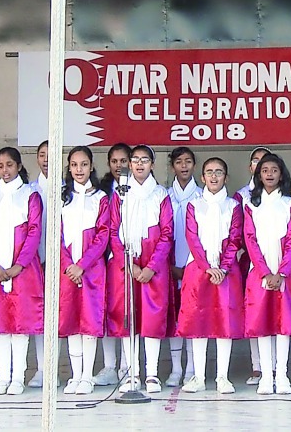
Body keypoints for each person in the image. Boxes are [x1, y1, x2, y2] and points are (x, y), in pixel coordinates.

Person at [0, 147, 45, 395]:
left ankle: (18, 377)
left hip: (22, 269)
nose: (5, 170)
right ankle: (3, 376)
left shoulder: (30, 195)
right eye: (1, 166)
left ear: (18, 166)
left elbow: (34, 232)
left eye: (10, 165)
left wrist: (19, 265)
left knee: (20, 323)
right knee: (0, 323)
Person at [107, 144, 174, 394]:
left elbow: (167, 233)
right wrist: (130, 265)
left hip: (153, 264)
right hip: (127, 262)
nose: (139, 164)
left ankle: (153, 373)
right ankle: (131, 372)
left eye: (145, 160)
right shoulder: (120, 194)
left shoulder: (160, 195)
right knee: (129, 316)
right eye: (135, 159)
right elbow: (113, 231)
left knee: (152, 316)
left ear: (152, 165)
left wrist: (151, 266)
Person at [177, 157, 245, 395]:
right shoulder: (194, 205)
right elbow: (192, 238)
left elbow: (235, 238)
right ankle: (198, 376)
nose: (214, 176)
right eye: (209, 172)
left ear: (226, 177)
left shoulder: (234, 206)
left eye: (219, 172)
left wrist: (223, 267)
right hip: (199, 270)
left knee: (223, 322)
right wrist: (207, 267)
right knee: (199, 321)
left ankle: (222, 377)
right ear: (202, 177)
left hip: (226, 271)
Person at [242, 153, 291, 395]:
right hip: (259, 272)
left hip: (284, 272)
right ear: (258, 174)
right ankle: (266, 376)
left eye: (274, 170)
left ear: (281, 174)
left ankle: (282, 374)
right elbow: (250, 239)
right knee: (262, 321)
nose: (269, 174)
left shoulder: (290, 204)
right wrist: (265, 272)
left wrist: (282, 272)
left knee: (282, 323)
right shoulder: (251, 205)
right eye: (264, 170)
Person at [57, 146, 111, 395]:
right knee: (69, 320)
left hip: (91, 269)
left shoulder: (100, 198)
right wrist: (69, 264)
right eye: (75, 165)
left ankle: (88, 375)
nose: (79, 169)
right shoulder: (61, 197)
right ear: (69, 167)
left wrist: (82, 265)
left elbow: (103, 235)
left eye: (84, 164)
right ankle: (75, 375)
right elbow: (55, 235)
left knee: (88, 320)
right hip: (67, 269)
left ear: (91, 167)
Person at [95, 142, 132, 386]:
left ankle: (127, 366)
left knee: (127, 312)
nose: (119, 165)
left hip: (129, 259)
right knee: (108, 311)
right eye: (114, 161)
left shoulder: (139, 188)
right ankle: (109, 366)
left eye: (123, 161)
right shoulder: (102, 190)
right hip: (103, 259)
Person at [235, 145, 271, 385]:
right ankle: (257, 366)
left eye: (265, 162)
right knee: (255, 312)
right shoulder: (241, 195)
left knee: (275, 314)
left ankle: (276, 368)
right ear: (251, 167)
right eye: (256, 161)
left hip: (276, 261)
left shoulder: (283, 195)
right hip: (248, 259)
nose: (260, 166)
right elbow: (238, 231)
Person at [166, 146, 201, 387]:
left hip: (194, 265)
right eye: (179, 162)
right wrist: (168, 264)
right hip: (168, 264)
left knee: (191, 316)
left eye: (188, 161)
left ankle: (192, 368)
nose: (184, 166)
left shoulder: (201, 196)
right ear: (173, 166)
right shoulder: (164, 196)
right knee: (173, 317)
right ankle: (176, 368)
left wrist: (191, 265)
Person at [27, 140, 51, 389]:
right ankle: (43, 369)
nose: (46, 159)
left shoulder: (69, 190)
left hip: (66, 262)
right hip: (35, 261)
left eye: (51, 155)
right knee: (39, 316)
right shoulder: (29, 190)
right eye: (42, 154)